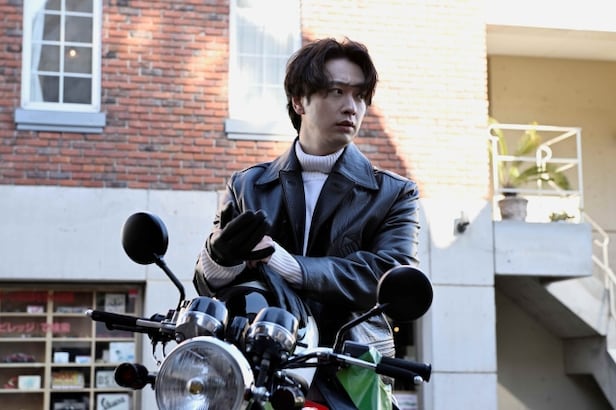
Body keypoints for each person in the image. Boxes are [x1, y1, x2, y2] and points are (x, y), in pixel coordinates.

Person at [193, 36, 420, 365]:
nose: (351, 107)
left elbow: (389, 277)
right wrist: (220, 259)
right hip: (259, 363)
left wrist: (289, 264)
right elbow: (207, 287)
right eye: (337, 91)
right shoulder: (246, 185)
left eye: (359, 96)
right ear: (299, 101)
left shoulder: (395, 192)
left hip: (349, 366)